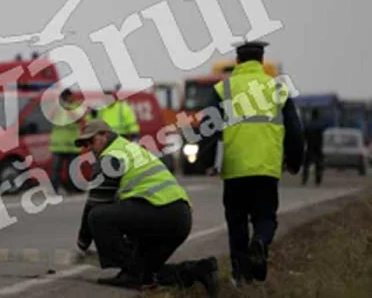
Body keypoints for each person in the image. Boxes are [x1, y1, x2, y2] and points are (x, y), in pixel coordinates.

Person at [200, 41, 305, 286]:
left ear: (237, 61)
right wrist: (295, 161)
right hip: (267, 167)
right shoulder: (278, 89)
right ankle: (260, 241)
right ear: (261, 60)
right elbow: (295, 131)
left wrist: (208, 162)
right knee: (266, 217)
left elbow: (207, 130)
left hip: (235, 168)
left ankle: (241, 275)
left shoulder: (223, 88)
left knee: (236, 222)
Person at [75, 119, 220, 295]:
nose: (90, 147)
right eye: (86, 145)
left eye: (92, 141)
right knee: (147, 274)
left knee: (98, 217)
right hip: (178, 218)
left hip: (160, 213)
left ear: (105, 134)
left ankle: (131, 273)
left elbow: (95, 203)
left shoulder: (111, 156)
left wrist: (83, 241)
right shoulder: (129, 148)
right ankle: (200, 270)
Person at [49, 89, 87, 193]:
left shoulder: (75, 108)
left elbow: (79, 119)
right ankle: (54, 190)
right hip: (58, 146)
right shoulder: (56, 109)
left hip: (71, 146)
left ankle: (72, 189)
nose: (70, 99)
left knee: (73, 170)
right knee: (56, 170)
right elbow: (50, 117)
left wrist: (68, 109)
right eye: (67, 97)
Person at [302, 108, 326, 186]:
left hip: (309, 147)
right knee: (319, 165)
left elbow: (304, 136)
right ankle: (317, 181)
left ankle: (304, 180)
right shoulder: (320, 124)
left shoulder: (308, 124)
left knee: (306, 166)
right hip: (318, 147)